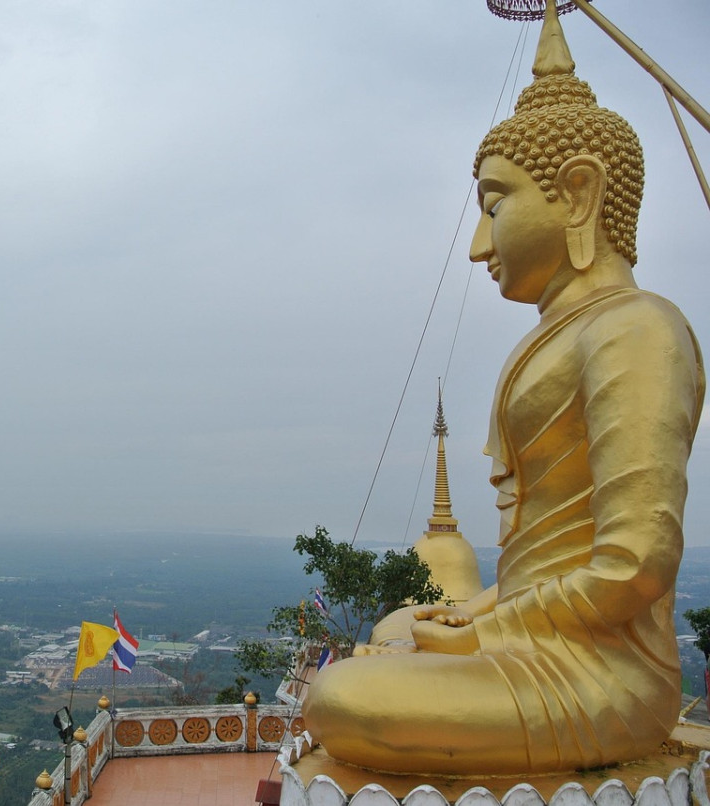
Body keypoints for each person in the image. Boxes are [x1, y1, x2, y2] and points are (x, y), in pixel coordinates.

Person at [301, 2, 704, 775]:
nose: (481, 243)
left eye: (494, 205)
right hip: (538, 633)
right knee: (390, 630)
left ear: (578, 193)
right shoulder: (557, 339)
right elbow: (534, 571)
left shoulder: (637, 328)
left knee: (342, 698)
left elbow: (635, 563)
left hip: (603, 671)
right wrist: (464, 613)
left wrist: (484, 630)